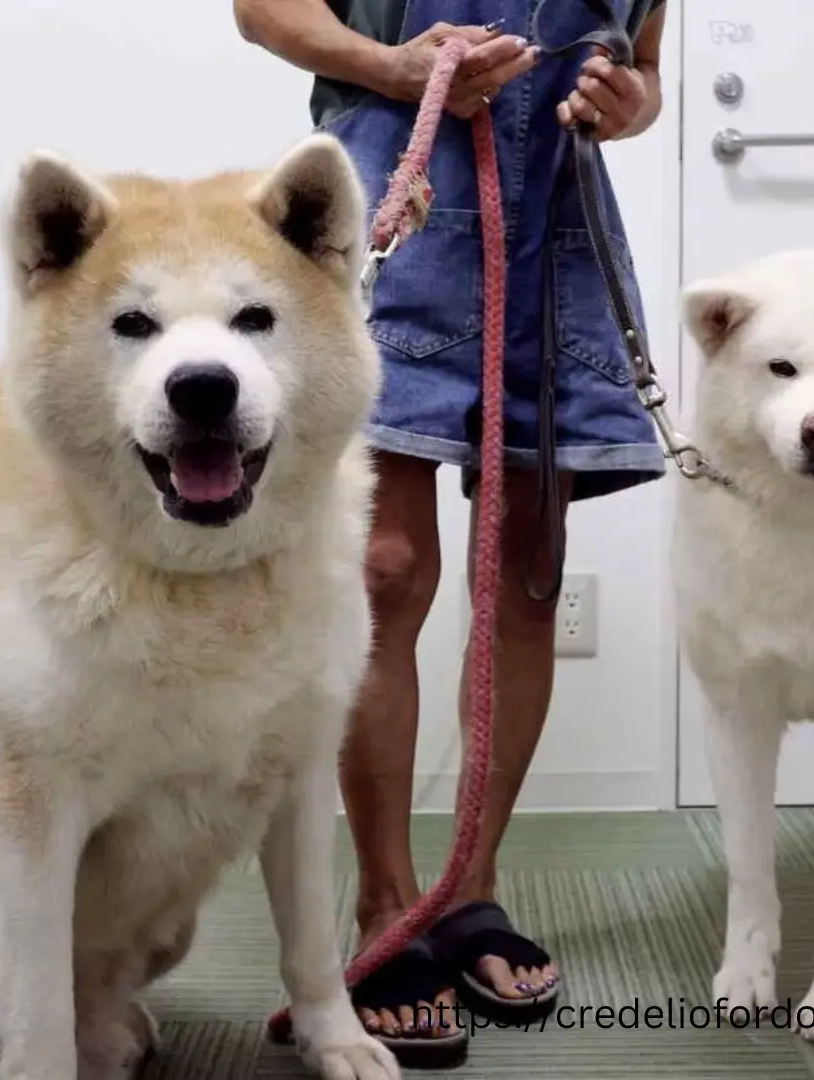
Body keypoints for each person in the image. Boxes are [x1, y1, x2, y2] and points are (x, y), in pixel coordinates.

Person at [235, 0, 667, 1067]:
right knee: (381, 569)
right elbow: (260, 10)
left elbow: (646, 64)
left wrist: (627, 103)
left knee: (526, 573)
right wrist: (390, 64)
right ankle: (387, 902)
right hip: (394, 197)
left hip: (555, 233)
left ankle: (471, 888)